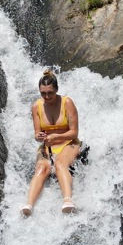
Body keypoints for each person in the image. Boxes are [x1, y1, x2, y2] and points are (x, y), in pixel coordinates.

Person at [21, 69, 80, 217]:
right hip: (48, 145)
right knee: (42, 167)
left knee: (60, 163)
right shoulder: (36, 106)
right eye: (43, 93)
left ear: (57, 90)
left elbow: (74, 132)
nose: (46, 96)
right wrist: (39, 136)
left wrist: (55, 137)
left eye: (50, 93)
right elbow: (36, 134)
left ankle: (68, 200)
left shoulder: (67, 102)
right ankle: (29, 205)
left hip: (69, 142)